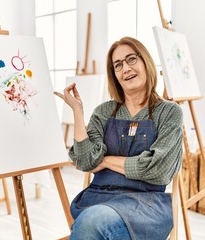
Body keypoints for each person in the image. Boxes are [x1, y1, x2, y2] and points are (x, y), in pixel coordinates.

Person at [54, 36, 183, 240]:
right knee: (93, 222)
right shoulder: (104, 112)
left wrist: (104, 161)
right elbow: (86, 161)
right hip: (99, 198)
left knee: (91, 224)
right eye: (118, 65)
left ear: (145, 62)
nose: (126, 69)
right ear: (114, 75)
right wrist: (78, 112)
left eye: (132, 59)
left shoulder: (169, 112)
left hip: (145, 205)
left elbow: (158, 170)